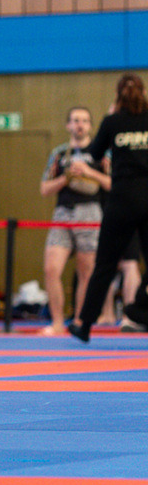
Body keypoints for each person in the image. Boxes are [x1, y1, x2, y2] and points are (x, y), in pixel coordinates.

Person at [70, 75, 148, 342]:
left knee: (105, 263)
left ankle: (85, 323)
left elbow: (92, 153)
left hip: (122, 197)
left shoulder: (113, 121)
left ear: (117, 96)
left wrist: (111, 118)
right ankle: (139, 307)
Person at [39, 107, 110, 335]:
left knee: (86, 271)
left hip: (90, 212)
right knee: (51, 268)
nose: (80, 125)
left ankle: (79, 322)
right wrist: (66, 177)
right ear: (68, 125)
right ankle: (58, 323)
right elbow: (44, 189)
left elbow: (112, 183)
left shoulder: (101, 152)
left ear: (90, 125)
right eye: (75, 121)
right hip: (63, 212)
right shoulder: (59, 153)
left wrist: (89, 173)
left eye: (84, 121)